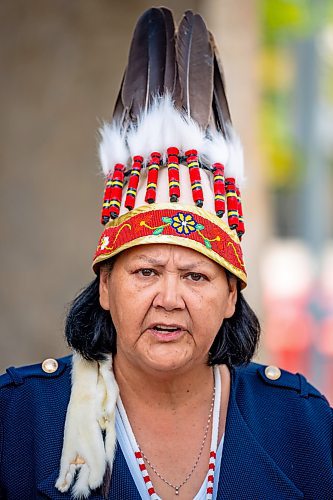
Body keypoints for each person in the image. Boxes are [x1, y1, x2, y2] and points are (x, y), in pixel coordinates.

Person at [0, 8, 332, 500]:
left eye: (196, 276)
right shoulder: (23, 418)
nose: (169, 298)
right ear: (106, 287)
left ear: (231, 297)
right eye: (145, 271)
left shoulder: (299, 423)